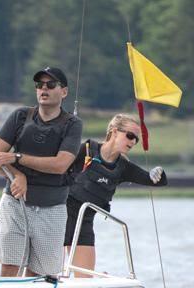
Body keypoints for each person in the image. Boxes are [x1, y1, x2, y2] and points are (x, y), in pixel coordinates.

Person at [0, 66, 82, 277]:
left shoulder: (72, 124)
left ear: (63, 92)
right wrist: (16, 175)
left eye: (50, 84)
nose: (43, 89)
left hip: (52, 207)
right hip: (16, 204)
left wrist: (17, 157)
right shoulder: (20, 116)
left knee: (41, 274)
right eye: (39, 85)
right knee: (10, 265)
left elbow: (61, 165)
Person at [64, 113, 168, 276]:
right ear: (114, 131)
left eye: (136, 139)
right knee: (48, 272)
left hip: (84, 223)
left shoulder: (123, 167)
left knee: (84, 279)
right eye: (130, 136)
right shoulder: (86, 149)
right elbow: (57, 168)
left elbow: (155, 181)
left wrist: (158, 173)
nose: (133, 142)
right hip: (58, 216)